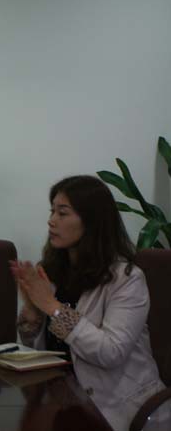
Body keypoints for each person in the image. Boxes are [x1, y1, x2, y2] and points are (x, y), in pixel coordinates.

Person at [11, 175, 166, 431]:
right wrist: (31, 310)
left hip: (115, 410)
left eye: (63, 213)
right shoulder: (53, 271)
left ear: (92, 221)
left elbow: (111, 352)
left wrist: (51, 306)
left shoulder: (126, 279)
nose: (51, 221)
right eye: (52, 211)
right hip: (63, 403)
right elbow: (44, 352)